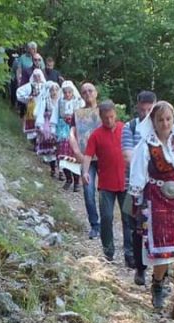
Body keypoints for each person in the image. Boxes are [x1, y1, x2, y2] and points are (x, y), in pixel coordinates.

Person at [129, 101, 174, 309]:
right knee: (162, 248)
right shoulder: (146, 146)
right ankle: (158, 286)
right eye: (160, 119)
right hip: (156, 200)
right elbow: (138, 175)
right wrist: (136, 203)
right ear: (153, 121)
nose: (165, 123)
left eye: (168, 118)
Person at [82, 101, 126, 262]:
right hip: (106, 184)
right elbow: (87, 155)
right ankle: (108, 250)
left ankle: (129, 253)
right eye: (105, 118)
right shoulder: (96, 135)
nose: (109, 120)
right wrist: (85, 172)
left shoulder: (125, 129)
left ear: (116, 114)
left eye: (112, 117)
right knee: (107, 217)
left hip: (126, 183)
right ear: (100, 117)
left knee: (128, 217)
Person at [122, 90, 157, 277]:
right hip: (134, 187)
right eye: (142, 110)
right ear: (137, 107)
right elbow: (128, 157)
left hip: (159, 189)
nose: (145, 114)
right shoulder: (130, 127)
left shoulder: (163, 126)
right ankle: (140, 269)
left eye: (149, 110)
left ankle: (159, 274)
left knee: (159, 228)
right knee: (136, 228)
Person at [70, 83, 103, 239]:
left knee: (106, 193)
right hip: (86, 158)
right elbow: (71, 134)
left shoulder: (105, 111)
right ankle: (95, 225)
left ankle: (107, 223)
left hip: (105, 158)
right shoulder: (78, 114)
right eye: (84, 92)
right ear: (81, 95)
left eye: (90, 90)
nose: (87, 93)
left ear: (96, 93)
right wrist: (76, 151)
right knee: (88, 192)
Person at [56, 81, 84, 192]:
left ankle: (77, 181)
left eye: (69, 92)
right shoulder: (60, 102)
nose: (67, 94)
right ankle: (68, 179)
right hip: (63, 130)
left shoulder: (79, 102)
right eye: (65, 92)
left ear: (73, 92)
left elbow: (83, 117)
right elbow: (56, 115)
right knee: (62, 155)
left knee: (74, 154)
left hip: (75, 130)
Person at [34, 82, 62, 177]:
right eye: (52, 90)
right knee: (51, 148)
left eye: (56, 90)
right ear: (48, 91)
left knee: (60, 148)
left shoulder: (61, 101)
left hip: (59, 125)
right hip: (48, 124)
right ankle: (53, 168)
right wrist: (40, 125)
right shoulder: (45, 100)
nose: (54, 92)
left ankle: (61, 170)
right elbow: (40, 112)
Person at [15, 69, 46, 143]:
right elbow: (19, 92)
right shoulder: (30, 85)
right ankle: (33, 142)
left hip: (43, 108)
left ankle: (41, 142)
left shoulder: (45, 85)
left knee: (41, 125)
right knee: (33, 126)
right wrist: (27, 98)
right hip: (33, 107)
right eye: (35, 76)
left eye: (38, 76)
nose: (37, 78)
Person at [13, 42, 38, 116]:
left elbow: (43, 69)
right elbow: (19, 69)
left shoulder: (38, 57)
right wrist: (19, 81)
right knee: (25, 99)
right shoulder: (23, 57)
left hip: (35, 82)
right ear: (28, 49)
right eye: (31, 48)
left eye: (34, 49)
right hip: (25, 79)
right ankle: (22, 113)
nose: (33, 50)